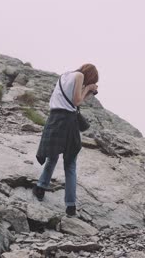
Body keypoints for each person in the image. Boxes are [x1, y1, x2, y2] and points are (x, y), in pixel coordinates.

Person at [33, 63, 99, 217]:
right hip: (68, 122)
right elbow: (76, 102)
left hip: (54, 119)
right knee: (70, 164)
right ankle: (70, 206)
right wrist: (88, 89)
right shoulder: (80, 76)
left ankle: (40, 188)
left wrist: (88, 91)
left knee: (52, 157)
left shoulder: (64, 76)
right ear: (89, 76)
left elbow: (69, 99)